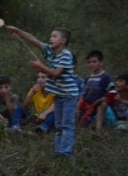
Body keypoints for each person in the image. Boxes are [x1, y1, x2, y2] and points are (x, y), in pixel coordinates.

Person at [5, 24, 77, 157]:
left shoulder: (66, 55)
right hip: (59, 95)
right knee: (59, 125)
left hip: (68, 95)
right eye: (51, 35)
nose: (51, 38)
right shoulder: (50, 50)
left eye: (54, 36)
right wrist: (17, 30)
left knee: (66, 125)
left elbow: (56, 74)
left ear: (63, 41)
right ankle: (59, 152)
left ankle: (64, 153)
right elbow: (33, 40)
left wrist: (41, 67)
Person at [77, 51, 114, 128]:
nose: (91, 64)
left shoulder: (105, 77)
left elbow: (112, 92)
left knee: (101, 106)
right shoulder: (88, 78)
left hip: (98, 107)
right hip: (86, 106)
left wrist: (102, 99)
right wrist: (80, 103)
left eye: (94, 61)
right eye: (89, 62)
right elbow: (83, 93)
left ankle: (99, 129)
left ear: (101, 63)